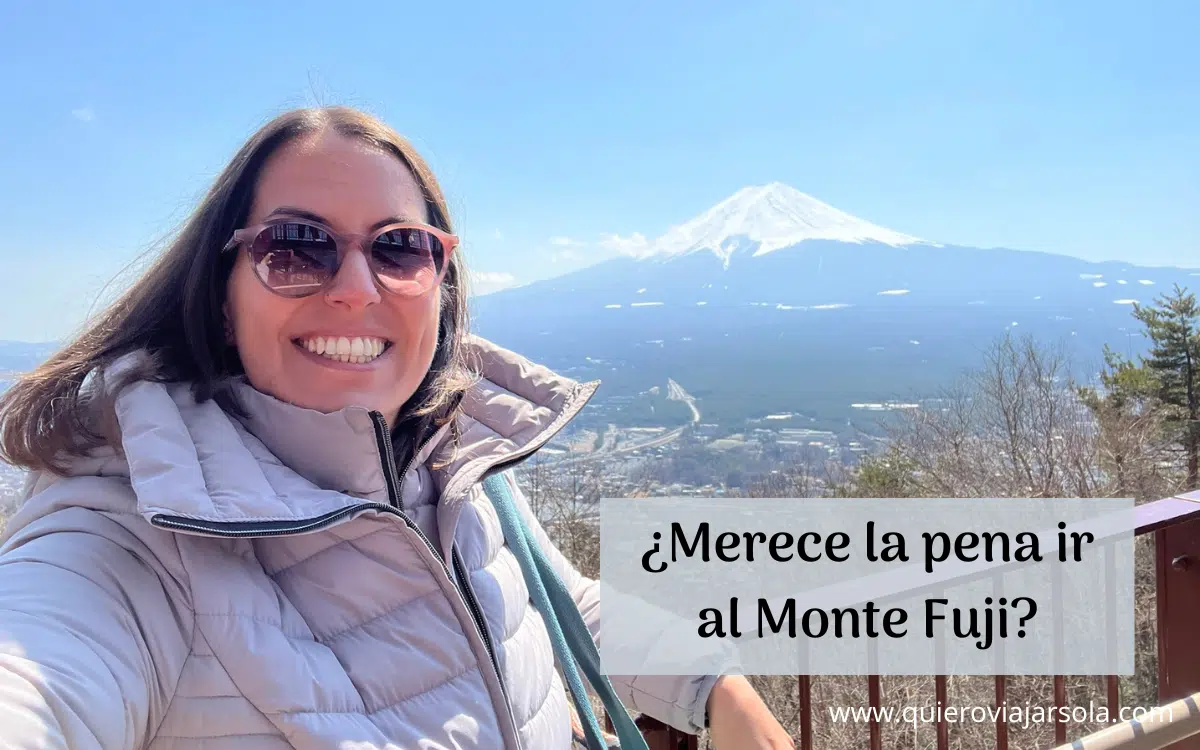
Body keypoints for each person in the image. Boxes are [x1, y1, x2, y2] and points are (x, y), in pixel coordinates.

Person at [0, 106, 793, 749]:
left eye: (400, 249)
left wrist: (717, 688)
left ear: (440, 282)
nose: (355, 288)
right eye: (297, 247)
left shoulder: (452, 466)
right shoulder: (127, 535)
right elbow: (40, 672)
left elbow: (561, 603)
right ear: (221, 291)